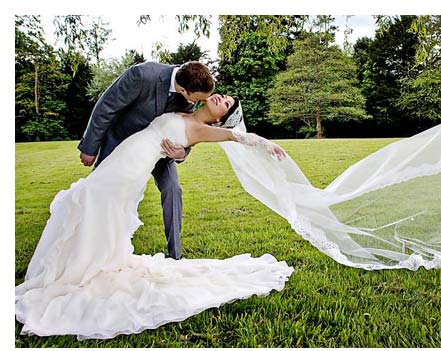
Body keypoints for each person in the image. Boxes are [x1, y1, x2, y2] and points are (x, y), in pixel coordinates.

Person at [15, 94, 293, 340]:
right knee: (91, 198)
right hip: (121, 156)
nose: (221, 98)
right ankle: (83, 261)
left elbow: (238, 137)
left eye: (227, 104)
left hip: (131, 169)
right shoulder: (184, 108)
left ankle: (87, 263)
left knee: (95, 200)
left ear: (222, 118)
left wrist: (267, 144)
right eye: (223, 95)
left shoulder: (203, 129)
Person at [78, 60, 215, 260]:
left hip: (161, 151)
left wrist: (181, 153)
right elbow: (106, 107)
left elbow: (188, 128)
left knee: (172, 189)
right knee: (98, 190)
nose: (200, 103)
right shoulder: (142, 75)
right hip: (121, 142)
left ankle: (175, 256)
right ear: (184, 90)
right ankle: (88, 247)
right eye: (198, 100)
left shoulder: (192, 92)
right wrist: (90, 147)